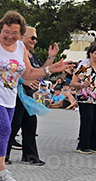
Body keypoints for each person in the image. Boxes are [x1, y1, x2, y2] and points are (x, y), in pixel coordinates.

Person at [0, 11, 72, 181]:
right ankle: (1, 171)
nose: (10, 36)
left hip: (9, 98)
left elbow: (27, 73)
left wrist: (51, 69)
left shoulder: (21, 47)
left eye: (15, 33)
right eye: (6, 31)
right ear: (0, 29)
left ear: (20, 34)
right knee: (4, 128)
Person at [5, 27, 60, 166]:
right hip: (16, 95)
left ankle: (30, 156)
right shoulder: (15, 54)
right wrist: (24, 81)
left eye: (36, 38)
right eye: (32, 37)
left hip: (28, 97)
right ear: (21, 38)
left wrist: (51, 57)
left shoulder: (31, 56)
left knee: (30, 125)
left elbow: (41, 71)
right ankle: (2, 155)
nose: (35, 40)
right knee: (14, 125)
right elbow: (9, 73)